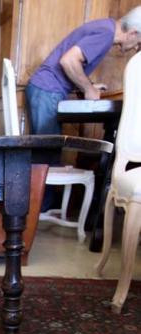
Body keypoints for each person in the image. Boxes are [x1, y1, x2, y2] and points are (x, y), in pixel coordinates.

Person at [25, 6, 141, 209]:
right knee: (47, 156)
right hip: (46, 90)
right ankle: (38, 211)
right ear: (133, 33)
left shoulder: (105, 27)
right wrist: (88, 88)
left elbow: (71, 61)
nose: (134, 48)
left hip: (44, 89)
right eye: (138, 42)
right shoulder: (106, 33)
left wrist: (88, 85)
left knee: (47, 154)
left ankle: (39, 210)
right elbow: (68, 60)